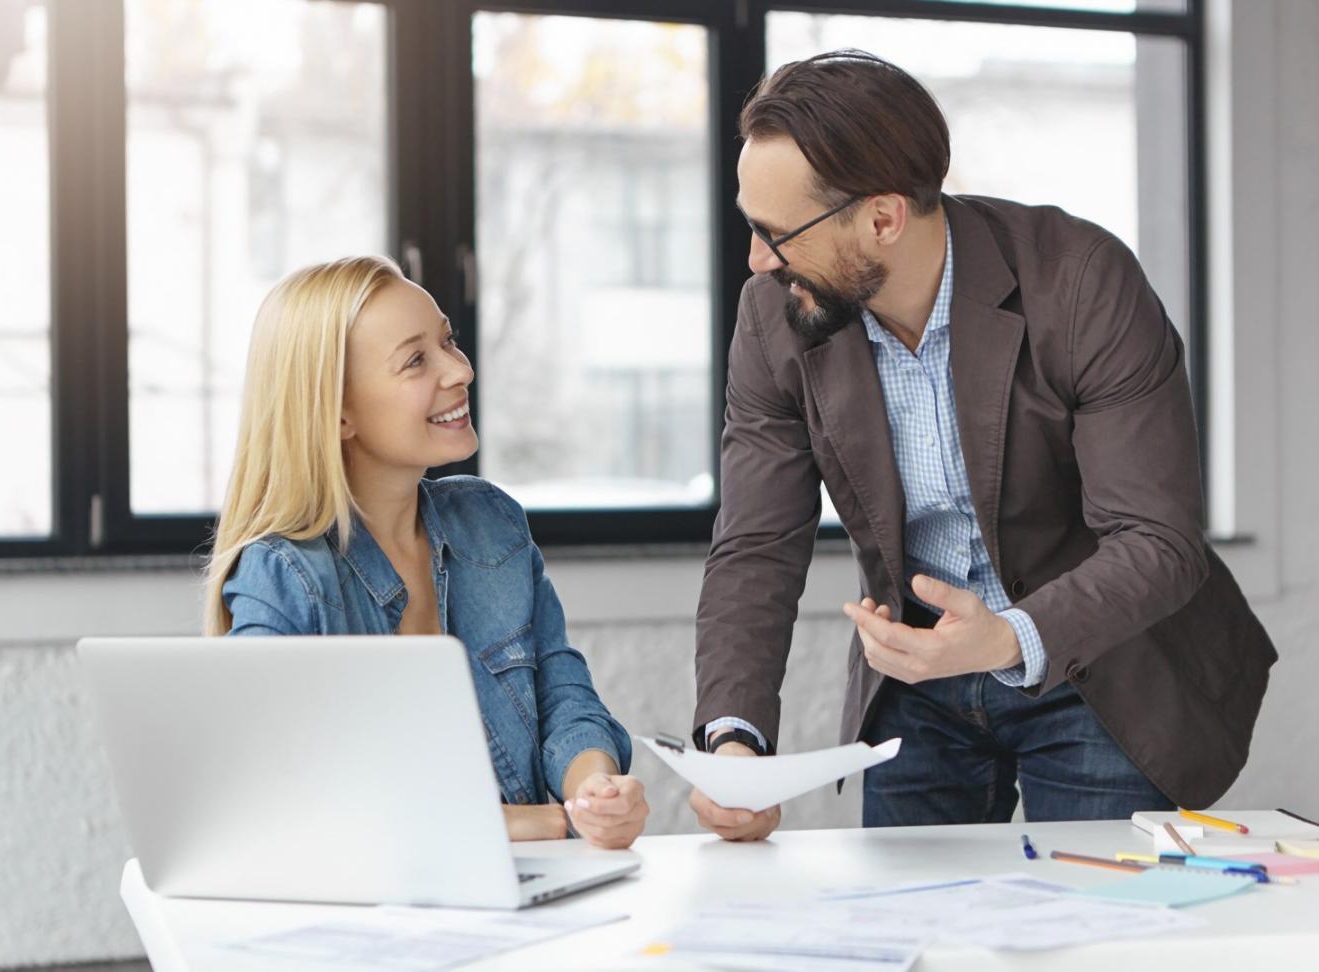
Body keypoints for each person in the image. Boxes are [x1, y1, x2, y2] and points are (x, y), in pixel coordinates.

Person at [690, 50, 1275, 840]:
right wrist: (735, 741)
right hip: (917, 687)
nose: (758, 261)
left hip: (1093, 665)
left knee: (1092, 940)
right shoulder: (774, 316)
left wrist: (1005, 637)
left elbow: (1158, 539)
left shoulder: (1081, 281)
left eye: (777, 233)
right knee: (915, 939)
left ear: (883, 218)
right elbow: (757, 543)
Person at [203, 256, 649, 849]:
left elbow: (563, 696)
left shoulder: (491, 523)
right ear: (337, 411)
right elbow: (278, 796)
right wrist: (514, 824)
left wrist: (594, 792)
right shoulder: (283, 575)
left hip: (524, 891)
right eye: (416, 360)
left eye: (448, 341)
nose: (459, 370)